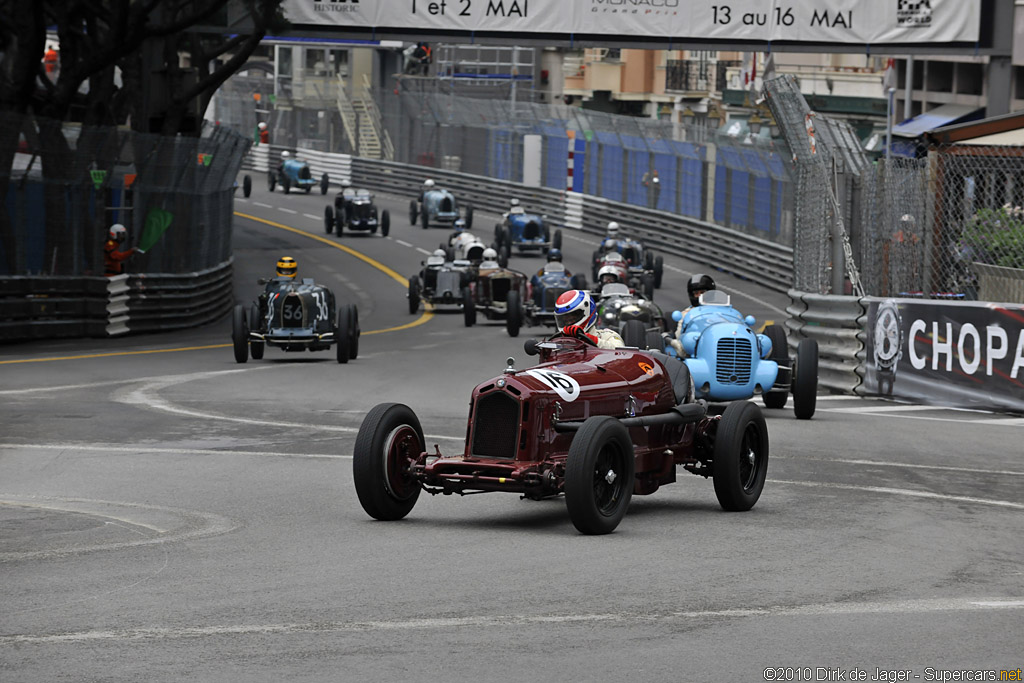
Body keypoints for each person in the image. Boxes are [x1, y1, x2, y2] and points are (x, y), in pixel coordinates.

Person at [554, 289, 624, 349]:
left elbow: (620, 352)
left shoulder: (607, 336)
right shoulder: (556, 343)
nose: (569, 323)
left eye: (573, 318)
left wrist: (588, 339)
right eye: (566, 320)